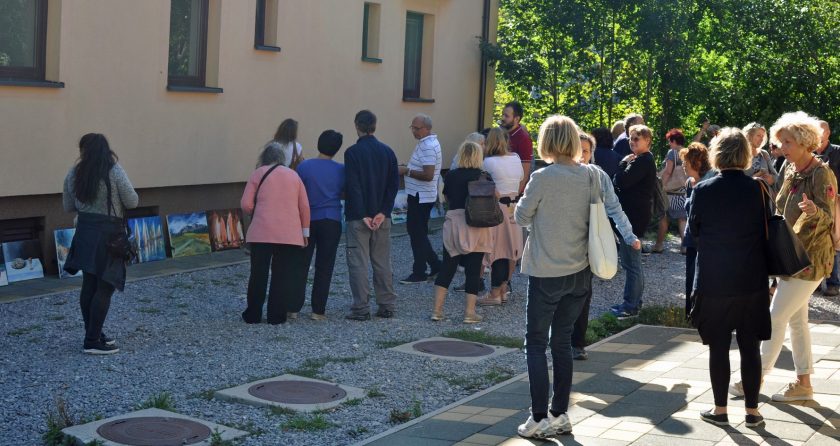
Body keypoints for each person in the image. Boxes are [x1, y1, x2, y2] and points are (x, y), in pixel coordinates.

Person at [514, 116, 640, 439]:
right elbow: (615, 209)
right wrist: (630, 237)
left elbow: (521, 216)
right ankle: (560, 414)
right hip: (580, 273)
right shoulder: (592, 175)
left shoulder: (542, 177)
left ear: (547, 142)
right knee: (562, 342)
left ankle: (538, 417)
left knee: (535, 343)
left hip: (546, 272)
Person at [731, 112, 837, 403]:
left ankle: (754, 379)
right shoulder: (790, 168)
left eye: (788, 142)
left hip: (809, 258)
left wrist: (815, 212)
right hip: (788, 254)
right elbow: (779, 206)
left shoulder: (821, 173)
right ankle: (804, 384)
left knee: (775, 317)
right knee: (796, 321)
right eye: (781, 142)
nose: (782, 147)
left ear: (805, 142)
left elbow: (828, 216)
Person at [688, 128, 770, 428]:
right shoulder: (758, 189)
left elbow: (693, 233)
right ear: (746, 154)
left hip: (715, 280)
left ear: (716, 154)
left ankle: (720, 410)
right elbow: (766, 230)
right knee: (750, 347)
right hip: (751, 278)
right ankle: (752, 411)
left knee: (719, 347)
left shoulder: (703, 190)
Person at [63, 133, 139, 355]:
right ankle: (93, 340)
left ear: (83, 151)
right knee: (105, 286)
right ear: (106, 149)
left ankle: (92, 333)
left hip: (84, 232)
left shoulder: (74, 173)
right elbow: (132, 201)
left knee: (89, 284)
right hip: (109, 235)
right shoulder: (113, 170)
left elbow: (68, 206)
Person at [572, 132, 640, 360]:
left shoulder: (598, 176)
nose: (581, 155)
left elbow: (614, 207)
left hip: (588, 245)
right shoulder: (556, 175)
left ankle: (576, 344)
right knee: (559, 298)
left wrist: (629, 236)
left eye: (585, 150)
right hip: (561, 246)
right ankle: (557, 342)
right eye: (577, 149)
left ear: (592, 154)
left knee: (583, 294)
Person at [240, 145, 310, 325]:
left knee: (258, 273)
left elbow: (246, 204)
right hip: (289, 234)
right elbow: (304, 207)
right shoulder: (294, 175)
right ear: (282, 158)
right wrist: (305, 232)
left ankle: (253, 314)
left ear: (264, 157)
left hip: (261, 232)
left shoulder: (257, 174)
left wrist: (257, 211)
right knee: (282, 274)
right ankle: (276, 316)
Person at [344, 110, 400, 320]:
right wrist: (384, 211)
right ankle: (387, 305)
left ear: (356, 125)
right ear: (374, 126)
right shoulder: (388, 152)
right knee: (382, 261)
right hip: (382, 216)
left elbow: (353, 186)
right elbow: (393, 185)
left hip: (358, 217)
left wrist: (362, 214)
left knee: (358, 262)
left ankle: (361, 307)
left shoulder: (352, 153)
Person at [431, 141, 493, 324]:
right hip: (477, 223)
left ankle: (437, 311)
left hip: (454, 223)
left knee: (447, 267)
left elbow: (447, 197)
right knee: (473, 270)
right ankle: (469, 313)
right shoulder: (484, 176)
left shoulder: (451, 175)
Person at [296, 130, 345, 321]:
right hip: (332, 219)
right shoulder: (341, 170)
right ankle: (318, 310)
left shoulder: (304, 167)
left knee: (301, 263)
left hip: (307, 219)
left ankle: (293, 307)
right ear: (337, 149)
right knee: (325, 265)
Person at [611, 124, 657, 318]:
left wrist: (622, 165)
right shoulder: (641, 160)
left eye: (637, 138)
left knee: (632, 263)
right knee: (632, 263)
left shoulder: (643, 161)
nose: (632, 141)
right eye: (631, 138)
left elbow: (621, 181)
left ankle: (630, 306)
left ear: (648, 141)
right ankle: (634, 302)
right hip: (634, 215)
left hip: (633, 217)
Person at [476, 127, 523, 306]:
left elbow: (482, 183)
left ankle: (494, 293)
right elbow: (520, 179)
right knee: (511, 249)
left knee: (497, 251)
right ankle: (503, 289)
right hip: (514, 207)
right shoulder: (516, 158)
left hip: (498, 208)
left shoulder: (488, 162)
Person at [399, 114, 442, 284]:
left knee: (417, 234)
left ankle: (420, 272)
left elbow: (428, 175)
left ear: (427, 128)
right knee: (418, 233)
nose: (414, 131)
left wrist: (407, 171)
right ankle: (435, 265)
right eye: (412, 128)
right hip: (421, 195)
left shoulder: (428, 146)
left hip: (421, 196)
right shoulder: (426, 143)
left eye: (417, 128)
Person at [680, 142, 714, 314]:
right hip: (691, 237)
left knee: (704, 278)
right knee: (690, 276)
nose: (683, 165)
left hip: (707, 239)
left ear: (697, 162)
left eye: (686, 162)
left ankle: (704, 314)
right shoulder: (689, 182)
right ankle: (690, 314)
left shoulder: (711, 180)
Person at [651, 129, 688, 254]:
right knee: (682, 219)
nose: (669, 144)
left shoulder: (672, 153)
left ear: (674, 141)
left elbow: (668, 171)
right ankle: (685, 246)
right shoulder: (687, 152)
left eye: (669, 141)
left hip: (670, 193)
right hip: (682, 191)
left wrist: (662, 186)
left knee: (664, 218)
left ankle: (659, 245)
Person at [815, 120, 840, 296]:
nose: (818, 133)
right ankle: (814, 280)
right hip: (813, 203)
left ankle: (833, 282)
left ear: (828, 133)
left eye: (821, 130)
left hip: (835, 203)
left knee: (834, 241)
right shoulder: (808, 152)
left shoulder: (837, 151)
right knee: (813, 240)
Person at [500, 101, 534, 193]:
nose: (502, 118)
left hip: (512, 192)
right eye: (502, 114)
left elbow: (525, 171)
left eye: (506, 116)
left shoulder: (523, 138)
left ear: (516, 119)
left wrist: (515, 195)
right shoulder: (500, 134)